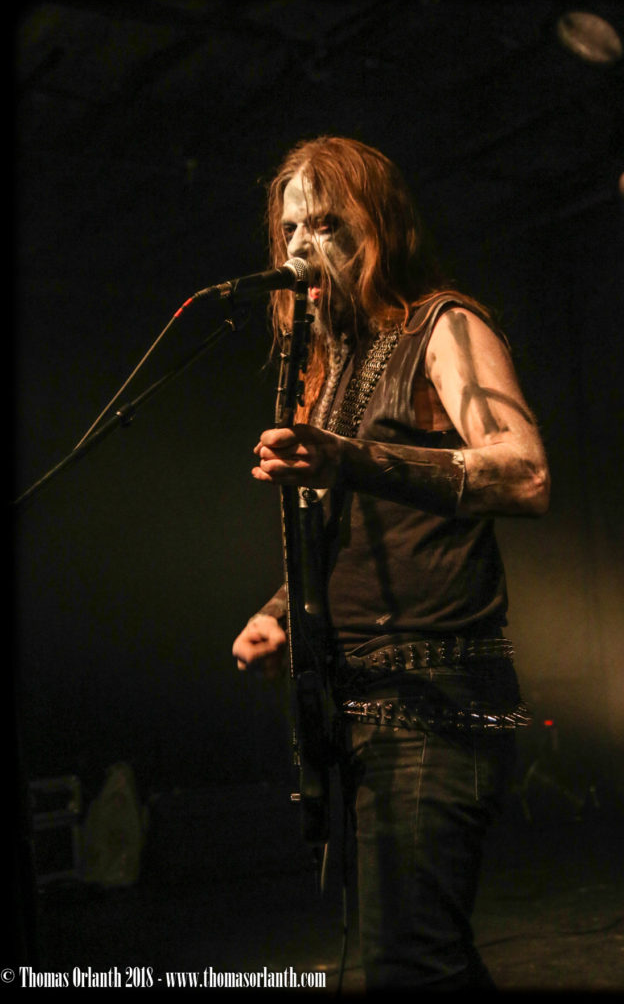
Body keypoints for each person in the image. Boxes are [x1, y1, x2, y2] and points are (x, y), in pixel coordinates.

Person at [232, 135, 550, 991]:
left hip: (435, 695)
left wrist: (351, 458)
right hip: (356, 699)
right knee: (412, 958)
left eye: (326, 225)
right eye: (290, 229)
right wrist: (277, 610)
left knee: (410, 960)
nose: (301, 248)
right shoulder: (331, 367)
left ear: (378, 228)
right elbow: (352, 520)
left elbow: (524, 473)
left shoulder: (444, 324)